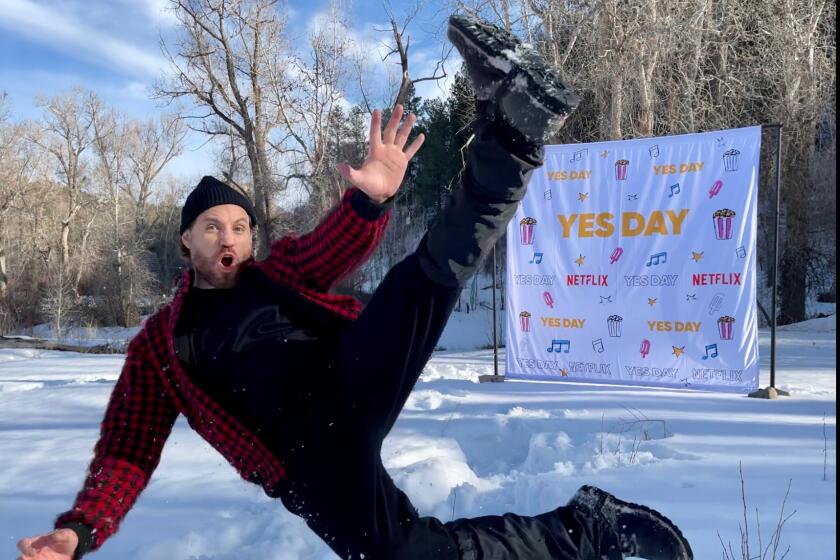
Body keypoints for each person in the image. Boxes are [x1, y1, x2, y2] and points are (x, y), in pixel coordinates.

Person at [16, 14, 692, 560]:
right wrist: (81, 529)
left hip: (346, 376)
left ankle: (513, 127)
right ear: (187, 241)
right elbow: (128, 447)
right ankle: (583, 529)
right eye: (213, 226)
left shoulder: (273, 274)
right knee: (407, 556)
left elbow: (332, 245)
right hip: (303, 465)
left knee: (432, 272)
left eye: (242, 225)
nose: (230, 237)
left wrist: (368, 203)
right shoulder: (159, 348)